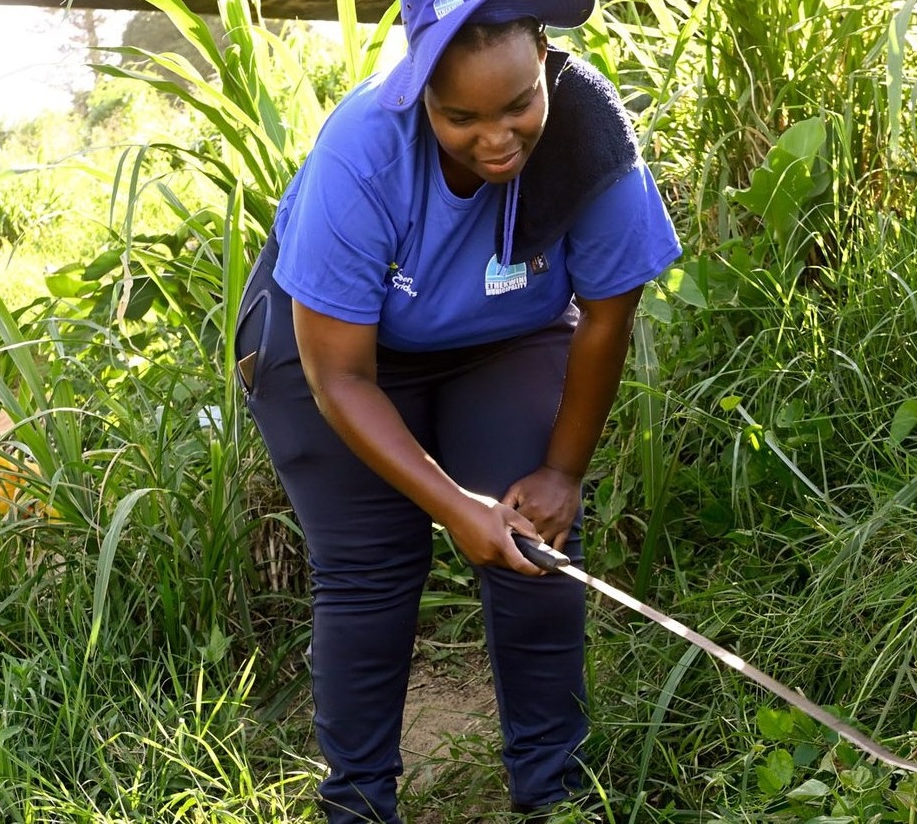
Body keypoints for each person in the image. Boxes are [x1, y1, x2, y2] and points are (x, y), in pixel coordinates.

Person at [232, 0, 682, 820]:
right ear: (419, 91)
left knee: (532, 543)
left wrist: (560, 472)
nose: (498, 137)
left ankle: (555, 796)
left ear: (545, 54)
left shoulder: (589, 134)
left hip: (500, 337)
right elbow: (343, 381)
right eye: (460, 117)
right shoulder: (362, 152)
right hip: (334, 354)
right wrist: (451, 506)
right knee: (370, 570)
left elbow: (608, 315)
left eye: (517, 105)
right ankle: (360, 803)